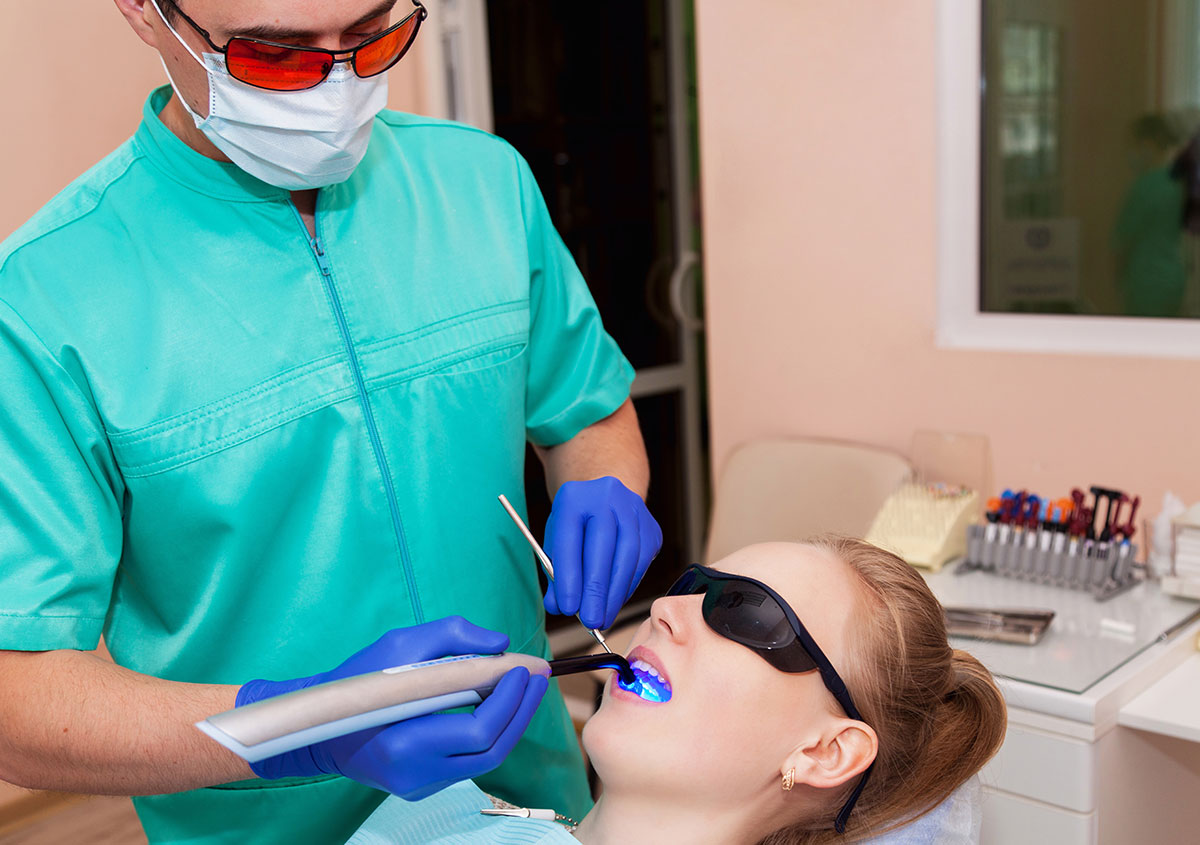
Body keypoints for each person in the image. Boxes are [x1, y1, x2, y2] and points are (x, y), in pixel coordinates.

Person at [0, 1, 662, 842]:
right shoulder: (42, 301)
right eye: (278, 54)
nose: (339, 84)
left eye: (370, 35)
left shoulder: (485, 184)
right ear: (146, 13)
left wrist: (604, 483)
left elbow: (589, 411)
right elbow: (16, 703)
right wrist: (299, 727)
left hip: (532, 799)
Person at [347, 537, 1008, 844]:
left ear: (826, 751)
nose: (666, 606)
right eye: (695, 586)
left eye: (748, 613)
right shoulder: (456, 808)